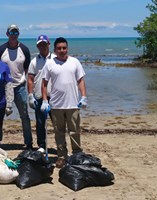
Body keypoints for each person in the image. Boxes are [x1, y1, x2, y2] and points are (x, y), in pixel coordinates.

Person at [41, 37, 88, 168]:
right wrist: (45, 100)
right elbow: (44, 83)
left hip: (73, 103)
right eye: (59, 48)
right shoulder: (49, 63)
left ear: (67, 48)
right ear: (55, 50)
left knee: (75, 130)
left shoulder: (75, 62)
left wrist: (83, 96)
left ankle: (77, 153)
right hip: (56, 105)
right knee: (59, 132)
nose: (62, 50)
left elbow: (81, 80)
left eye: (64, 48)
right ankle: (61, 156)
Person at [0, 24, 33, 149]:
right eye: (11, 33)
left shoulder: (24, 49)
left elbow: (27, 67)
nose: (13, 35)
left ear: (18, 34)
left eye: (15, 33)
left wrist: (25, 81)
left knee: (24, 115)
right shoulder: (1, 50)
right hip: (3, 88)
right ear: (7, 34)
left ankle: (28, 143)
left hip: (20, 87)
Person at [27, 35, 56, 152]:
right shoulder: (34, 62)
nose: (42, 46)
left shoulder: (55, 59)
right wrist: (30, 95)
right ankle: (42, 146)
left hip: (55, 96)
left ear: (49, 44)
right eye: (40, 44)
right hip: (39, 96)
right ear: (37, 46)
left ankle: (61, 145)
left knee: (57, 123)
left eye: (44, 44)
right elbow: (30, 79)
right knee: (40, 123)